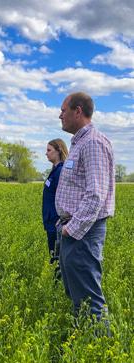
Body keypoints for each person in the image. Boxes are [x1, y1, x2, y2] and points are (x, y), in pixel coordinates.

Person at [54, 91, 116, 326]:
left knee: (90, 299)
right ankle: (84, 341)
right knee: (78, 295)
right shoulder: (80, 143)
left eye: (63, 110)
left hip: (84, 232)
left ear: (77, 111)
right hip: (73, 229)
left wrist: (72, 229)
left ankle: (100, 352)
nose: (60, 115)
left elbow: (96, 195)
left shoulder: (93, 143)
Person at [42, 139, 68, 264]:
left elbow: (64, 196)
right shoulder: (55, 170)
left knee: (56, 259)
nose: (46, 153)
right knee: (53, 255)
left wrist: (59, 219)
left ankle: (57, 282)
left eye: (49, 150)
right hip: (51, 220)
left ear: (58, 151)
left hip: (56, 221)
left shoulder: (60, 171)